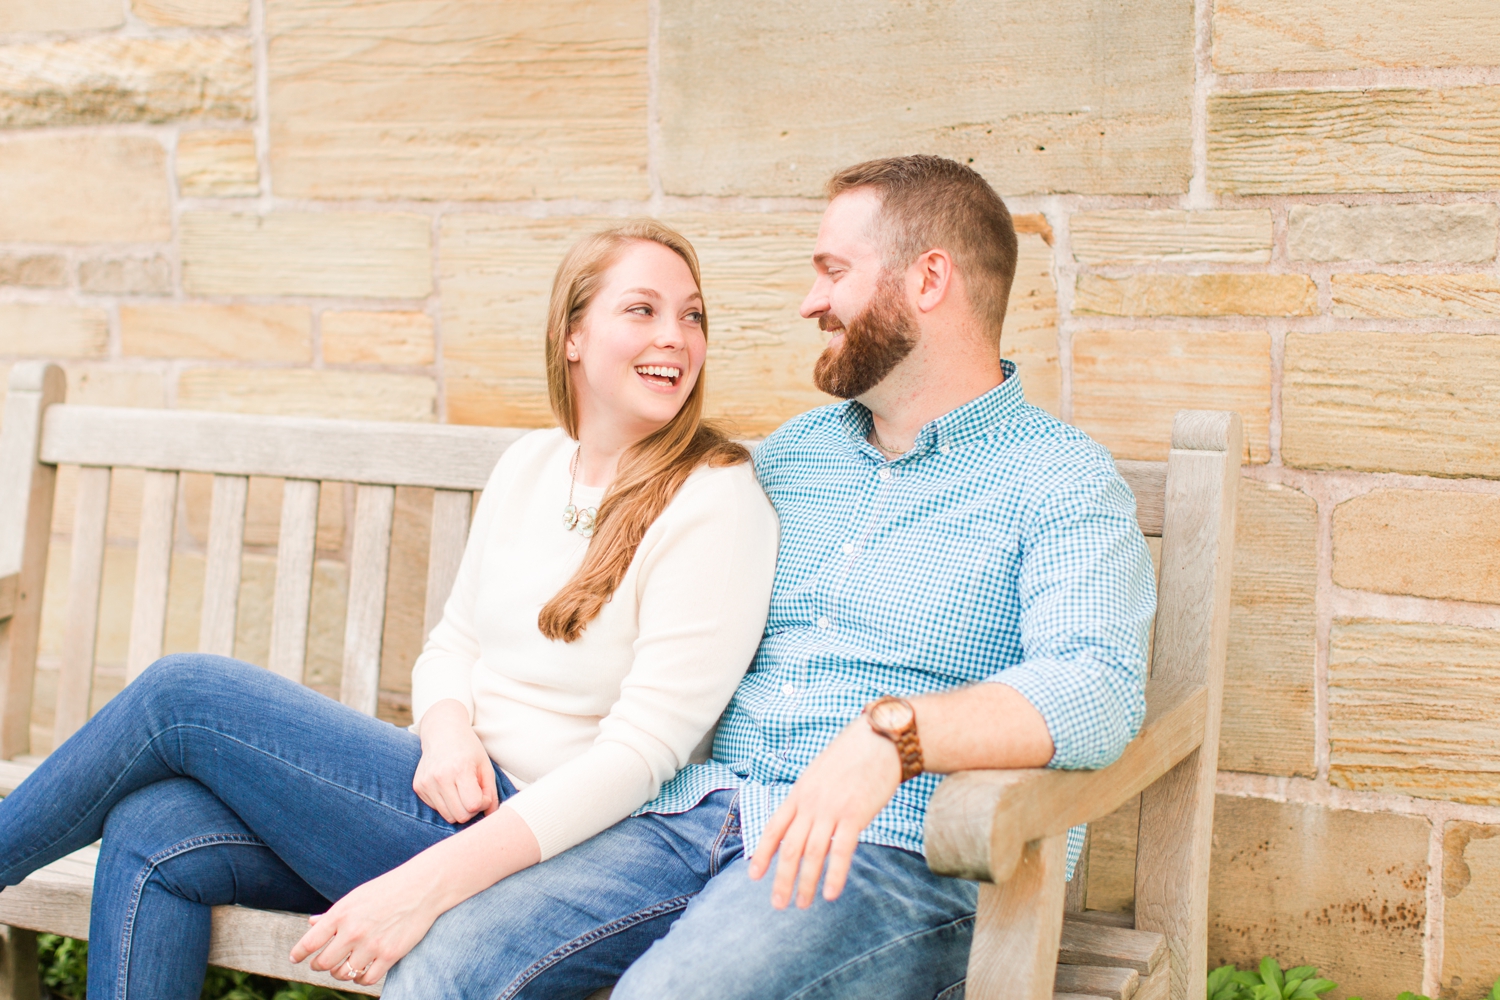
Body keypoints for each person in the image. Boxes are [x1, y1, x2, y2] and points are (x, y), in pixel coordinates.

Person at [382, 155, 1158, 999]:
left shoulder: (1060, 481)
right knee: (443, 965)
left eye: (833, 272)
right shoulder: (794, 456)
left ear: (928, 279)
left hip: (894, 851)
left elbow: (1098, 687)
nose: (809, 302)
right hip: (703, 815)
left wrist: (888, 739)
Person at [0, 220, 778, 997]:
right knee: (154, 829)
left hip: (538, 844)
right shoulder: (531, 465)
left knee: (182, 697)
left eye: (693, 315)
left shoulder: (714, 501)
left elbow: (642, 760)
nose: (673, 337)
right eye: (642, 310)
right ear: (572, 335)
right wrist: (444, 732)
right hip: (434, 794)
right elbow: (453, 641)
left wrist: (430, 880)